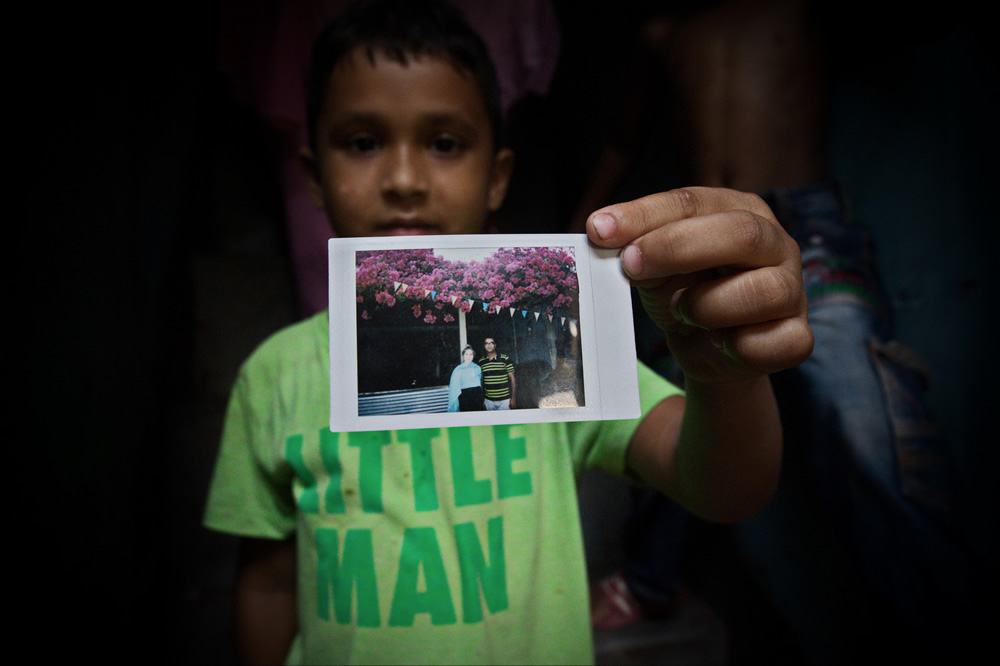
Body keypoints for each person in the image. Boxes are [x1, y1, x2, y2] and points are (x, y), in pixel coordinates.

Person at [201, 1, 812, 663]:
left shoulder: (562, 351)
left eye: (444, 143)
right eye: (362, 142)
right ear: (315, 177)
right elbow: (266, 583)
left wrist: (725, 377)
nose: (403, 180)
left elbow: (727, 487)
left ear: (497, 178)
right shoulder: (274, 373)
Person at [477, 337, 516, 410]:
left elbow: (513, 380)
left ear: (495, 345)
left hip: (504, 400)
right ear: (484, 346)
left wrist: (513, 398)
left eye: (491, 343)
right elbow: (481, 382)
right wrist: (483, 400)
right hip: (489, 401)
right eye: (486, 343)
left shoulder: (505, 359)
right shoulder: (481, 361)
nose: (489, 345)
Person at [447, 345, 484, 412]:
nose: (468, 356)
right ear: (463, 356)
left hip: (477, 395)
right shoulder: (458, 369)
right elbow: (454, 387)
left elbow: (480, 382)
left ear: (473, 356)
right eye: (466, 354)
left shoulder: (477, 368)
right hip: (464, 396)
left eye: (471, 354)